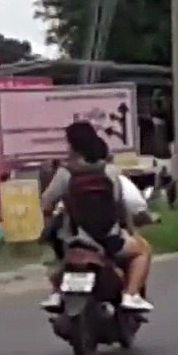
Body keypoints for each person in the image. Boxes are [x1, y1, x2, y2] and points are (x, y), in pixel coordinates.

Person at [39, 122, 154, 313]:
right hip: (109, 240)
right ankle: (131, 295)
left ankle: (57, 293)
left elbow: (46, 204)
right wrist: (130, 230)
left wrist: (53, 220)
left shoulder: (65, 173)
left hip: (75, 239)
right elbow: (118, 204)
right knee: (143, 250)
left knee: (56, 257)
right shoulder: (109, 171)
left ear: (74, 146)